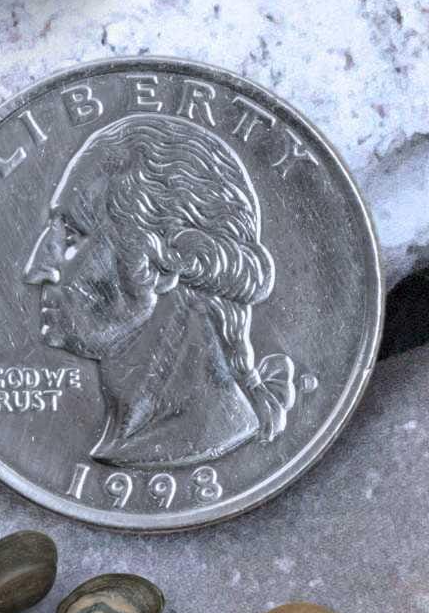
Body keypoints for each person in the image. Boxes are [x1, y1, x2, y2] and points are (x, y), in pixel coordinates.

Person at [23, 114, 297, 467]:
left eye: (72, 236)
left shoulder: (189, 435)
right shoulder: (127, 438)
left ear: (166, 262)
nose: (35, 269)